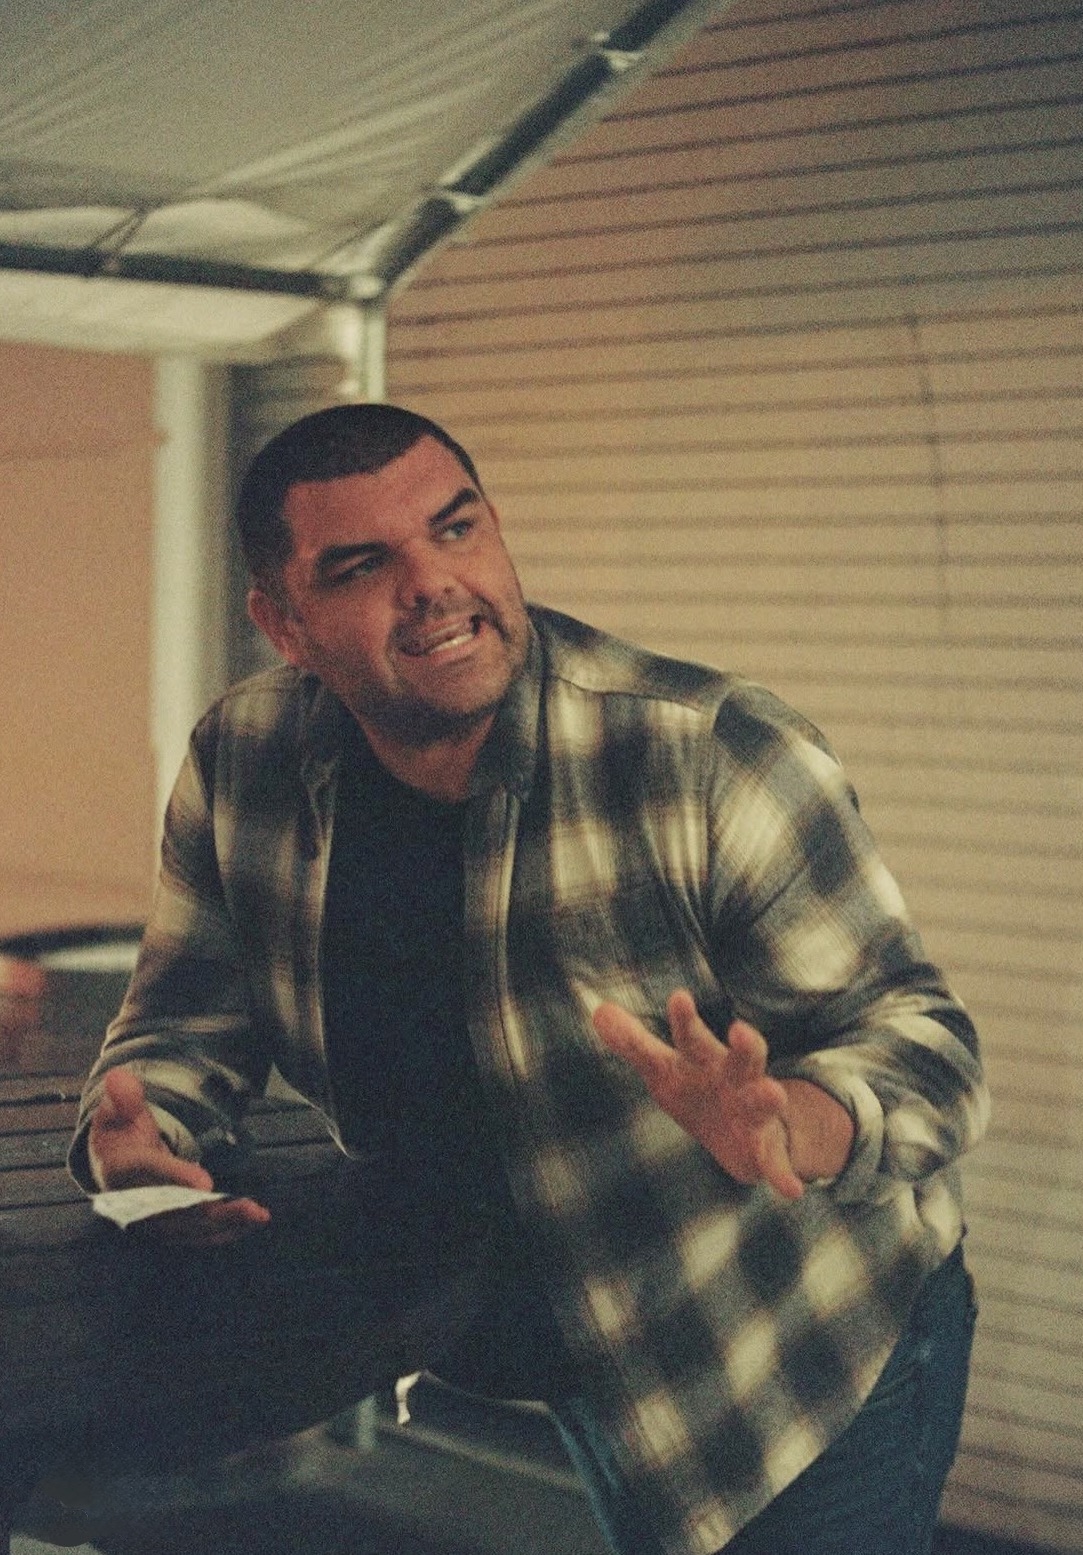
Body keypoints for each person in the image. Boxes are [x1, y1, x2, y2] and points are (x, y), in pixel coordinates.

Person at [66, 402, 988, 1555]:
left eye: (455, 530)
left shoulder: (703, 752)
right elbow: (188, 1016)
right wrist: (144, 1140)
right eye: (363, 565)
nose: (434, 584)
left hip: (785, 1349)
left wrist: (796, 1119)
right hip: (551, 1340)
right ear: (282, 621)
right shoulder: (243, 756)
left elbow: (929, 1044)